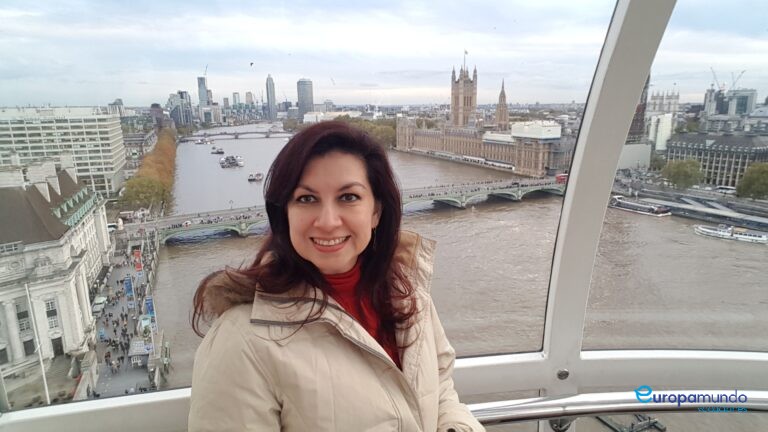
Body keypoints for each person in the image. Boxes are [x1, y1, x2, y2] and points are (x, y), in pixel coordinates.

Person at [188, 121, 484, 432]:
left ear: (376, 212)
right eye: (306, 199)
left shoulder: (409, 293)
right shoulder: (240, 340)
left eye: (348, 197)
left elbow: (440, 388)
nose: (328, 222)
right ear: (284, 214)